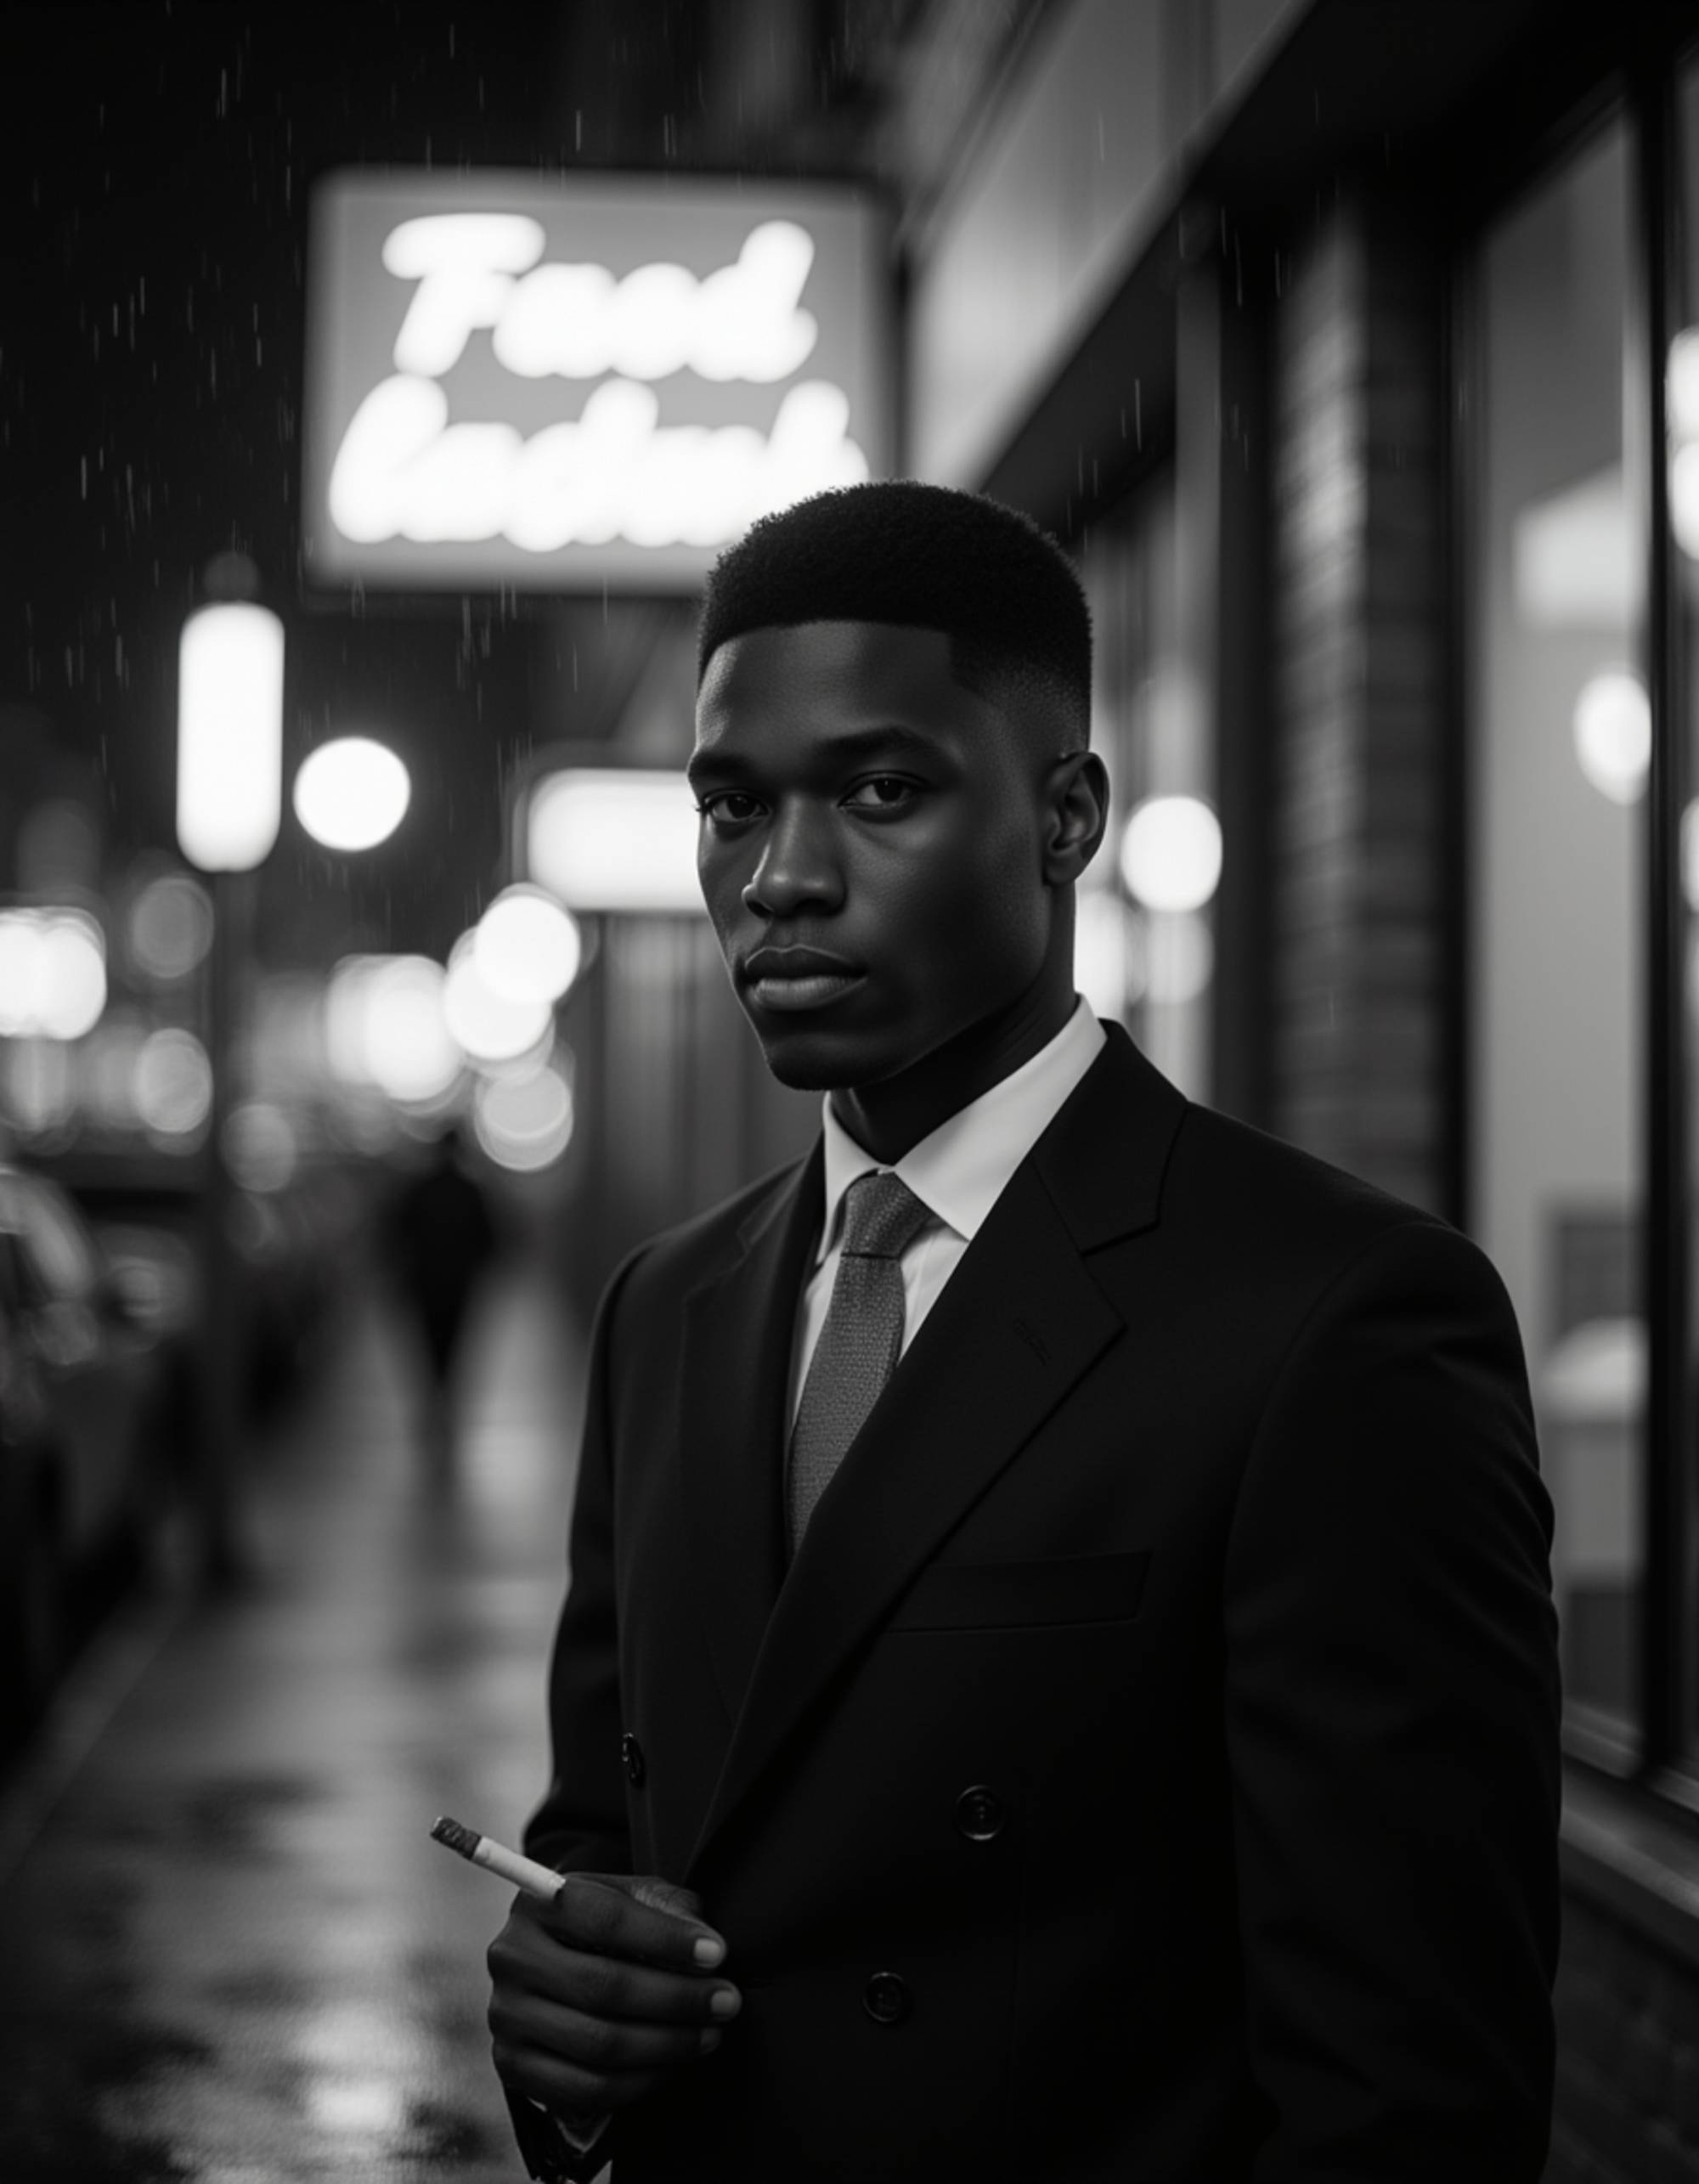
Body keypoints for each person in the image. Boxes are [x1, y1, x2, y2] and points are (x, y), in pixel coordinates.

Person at [487, 481, 1560, 2182]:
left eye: (882, 788)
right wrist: (567, 2046)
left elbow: (1408, 2090)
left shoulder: (1329, 1318)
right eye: (729, 803)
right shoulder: (668, 1309)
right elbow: (611, 1837)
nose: (780, 878)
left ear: (1067, 817)